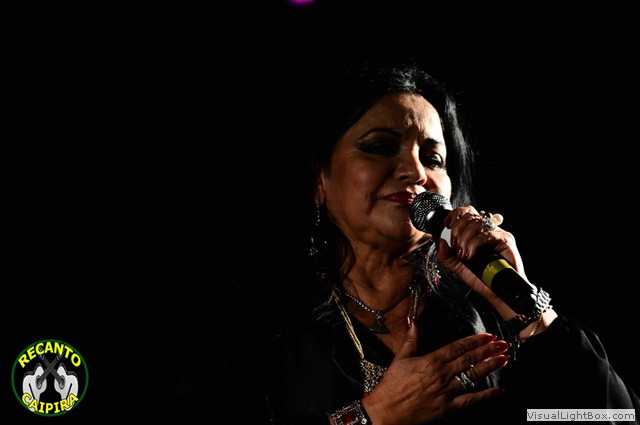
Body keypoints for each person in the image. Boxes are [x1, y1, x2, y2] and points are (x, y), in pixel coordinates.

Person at [176, 61, 640, 424]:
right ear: (320, 179)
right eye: (380, 146)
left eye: (433, 158)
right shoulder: (253, 314)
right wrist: (374, 416)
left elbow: (611, 418)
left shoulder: (485, 314)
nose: (416, 172)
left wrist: (526, 310)